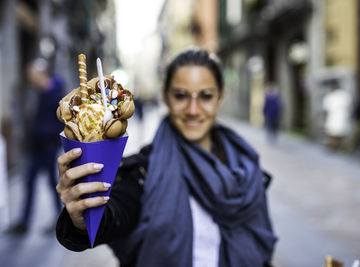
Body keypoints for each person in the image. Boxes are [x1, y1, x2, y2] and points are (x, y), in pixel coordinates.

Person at [55, 48, 277, 266]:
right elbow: (115, 214)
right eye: (181, 95)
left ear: (220, 98)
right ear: (166, 97)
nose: (193, 109)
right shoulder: (142, 170)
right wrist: (82, 217)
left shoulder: (246, 167)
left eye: (206, 96)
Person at [7, 58, 64, 234]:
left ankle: (61, 220)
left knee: (52, 183)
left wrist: (47, 135)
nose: (30, 78)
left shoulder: (55, 93)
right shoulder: (39, 92)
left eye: (32, 74)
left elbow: (60, 121)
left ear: (40, 74)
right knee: (29, 182)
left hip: (48, 145)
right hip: (36, 146)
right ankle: (24, 222)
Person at [322, 81, 352, 151]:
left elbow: (326, 107)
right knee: (337, 133)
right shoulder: (344, 95)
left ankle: (337, 146)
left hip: (337, 118)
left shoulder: (331, 96)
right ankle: (338, 147)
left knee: (335, 133)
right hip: (340, 119)